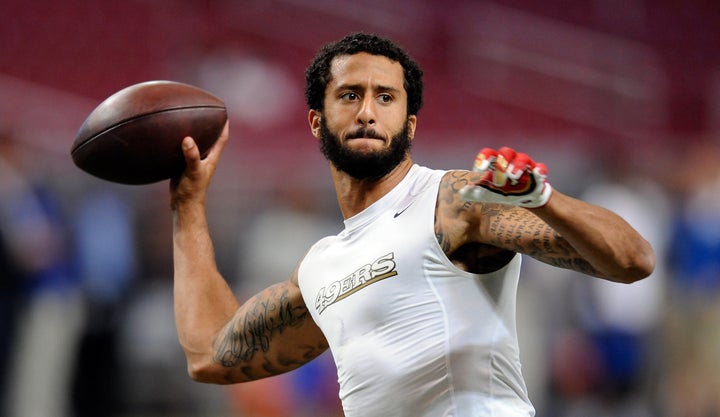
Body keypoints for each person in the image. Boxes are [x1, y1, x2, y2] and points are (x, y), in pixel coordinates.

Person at [169, 32, 655, 417]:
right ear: (317, 121)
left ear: (411, 123)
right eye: (349, 95)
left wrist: (544, 200)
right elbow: (210, 355)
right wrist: (188, 204)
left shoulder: (454, 201)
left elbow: (634, 259)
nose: (366, 111)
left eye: (385, 97)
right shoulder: (321, 267)